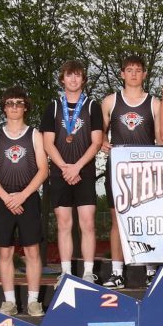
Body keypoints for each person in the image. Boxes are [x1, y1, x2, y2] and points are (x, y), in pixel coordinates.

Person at [0, 87, 49, 316]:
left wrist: (23, 195)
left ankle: (33, 301)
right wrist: (7, 198)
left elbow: (43, 170)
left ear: (25, 107)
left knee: (32, 252)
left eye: (18, 102)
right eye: (9, 103)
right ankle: (9, 301)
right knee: (5, 253)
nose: (14, 106)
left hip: (28, 197)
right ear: (4, 108)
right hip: (3, 198)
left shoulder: (35, 135)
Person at [41, 60, 104, 284]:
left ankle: (88, 272)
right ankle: (66, 272)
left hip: (84, 172)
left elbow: (96, 142)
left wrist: (77, 167)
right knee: (64, 223)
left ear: (83, 79)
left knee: (87, 223)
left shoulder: (92, 106)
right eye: (69, 75)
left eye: (78, 75)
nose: (74, 79)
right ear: (62, 79)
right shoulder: (53, 108)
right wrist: (65, 167)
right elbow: (48, 143)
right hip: (60, 173)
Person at [100, 56, 160, 288]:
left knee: (147, 220)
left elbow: (162, 139)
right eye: (129, 70)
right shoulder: (110, 102)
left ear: (144, 74)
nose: (134, 74)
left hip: (145, 170)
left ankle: (151, 271)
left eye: (138, 70)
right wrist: (103, 142)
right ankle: (117, 272)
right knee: (117, 221)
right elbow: (99, 134)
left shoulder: (154, 103)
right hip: (117, 169)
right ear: (122, 74)